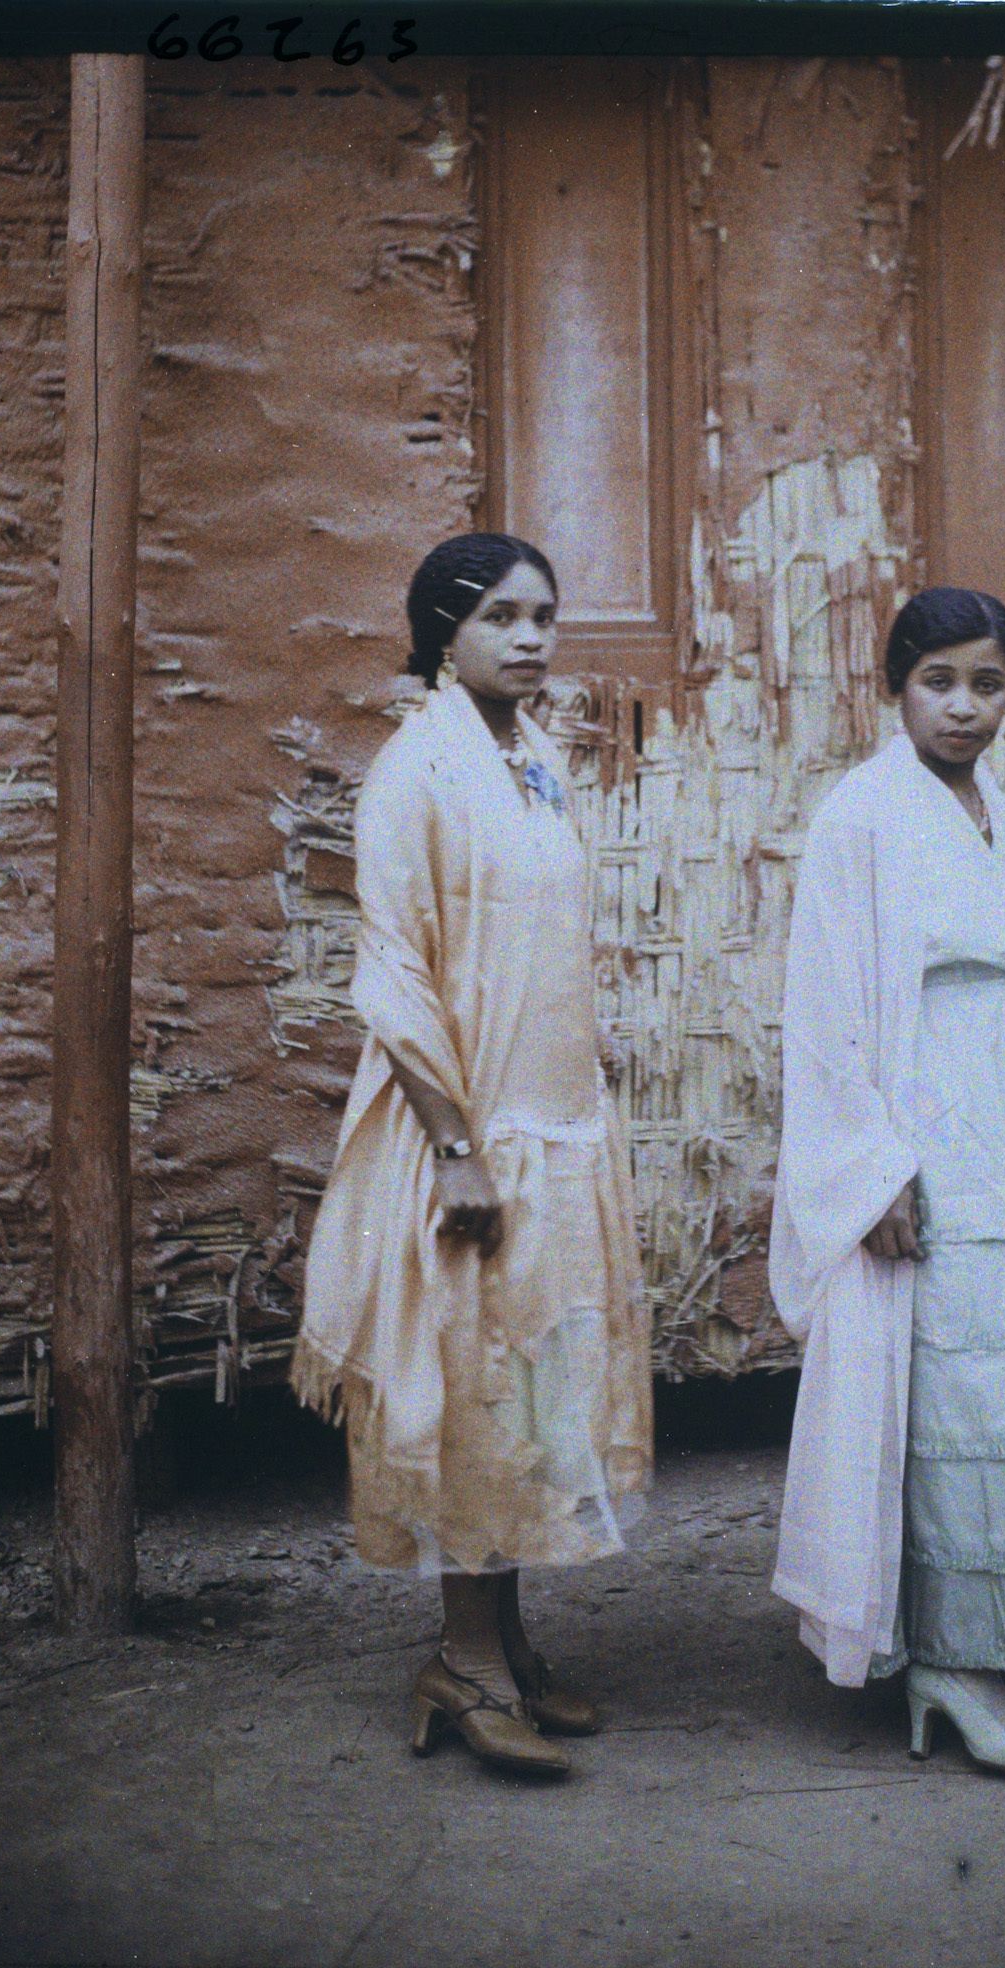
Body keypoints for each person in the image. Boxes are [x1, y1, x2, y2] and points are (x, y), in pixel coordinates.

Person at [294, 533, 652, 1781]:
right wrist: (454, 1147)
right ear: (441, 628)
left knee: (530, 1397)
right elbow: (391, 974)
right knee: (472, 1394)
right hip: (470, 1131)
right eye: (500, 614)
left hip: (550, 1119)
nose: (532, 636)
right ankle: (463, 1662)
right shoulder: (417, 768)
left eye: (545, 613)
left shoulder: (531, 759)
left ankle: (504, 1639)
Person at [769, 586, 1005, 1780]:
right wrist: (870, 1171)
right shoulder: (860, 816)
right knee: (951, 1403)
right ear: (894, 685)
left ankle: (991, 1644)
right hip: (925, 1139)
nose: (963, 706)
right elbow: (823, 1014)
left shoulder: (999, 815)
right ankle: (943, 1663)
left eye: (986, 683)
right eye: (938, 680)